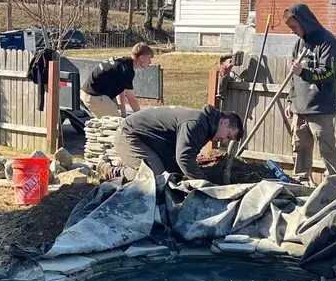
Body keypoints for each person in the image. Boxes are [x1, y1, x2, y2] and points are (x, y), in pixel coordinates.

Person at [282, 3, 336, 186]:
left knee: (326, 148)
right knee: (300, 147)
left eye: (294, 27)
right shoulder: (299, 43)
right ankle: (301, 183)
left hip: (320, 107)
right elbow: (293, 76)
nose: (292, 31)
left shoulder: (328, 42)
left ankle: (333, 186)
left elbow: (329, 74)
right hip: (299, 107)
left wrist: (304, 72)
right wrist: (290, 101)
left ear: (304, 22)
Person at [114, 104, 243, 181]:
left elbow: (182, 159)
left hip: (147, 142)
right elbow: (184, 158)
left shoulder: (206, 129)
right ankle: (116, 172)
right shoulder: (196, 123)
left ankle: (132, 164)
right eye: (228, 136)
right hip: (129, 135)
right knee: (156, 177)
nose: (224, 141)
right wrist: (204, 184)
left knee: (171, 176)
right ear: (225, 122)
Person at [80, 42, 154, 118]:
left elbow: (120, 90)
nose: (150, 62)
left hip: (91, 93)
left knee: (120, 119)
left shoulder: (124, 63)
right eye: (149, 58)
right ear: (141, 58)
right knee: (117, 123)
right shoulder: (127, 71)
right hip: (94, 96)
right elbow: (131, 100)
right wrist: (143, 118)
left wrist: (123, 113)